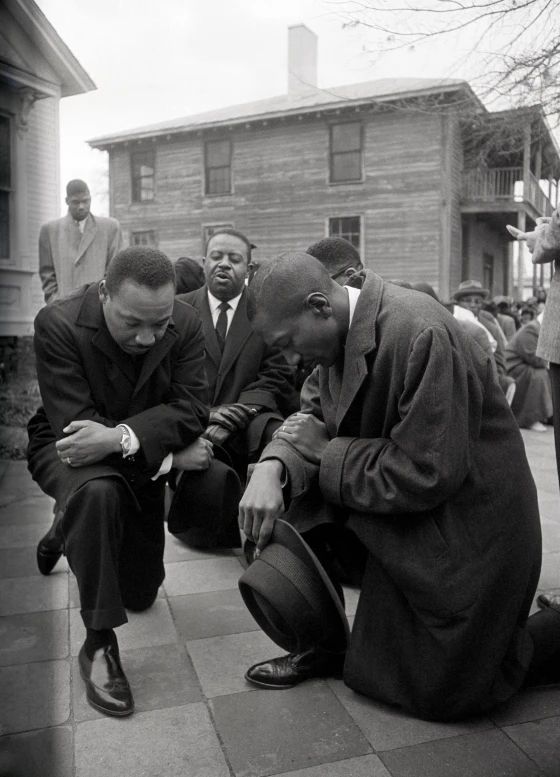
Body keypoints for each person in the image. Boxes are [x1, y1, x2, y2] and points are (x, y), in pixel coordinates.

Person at [237, 251, 560, 722]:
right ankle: (325, 647)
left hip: (471, 533)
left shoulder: (420, 331)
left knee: (446, 693)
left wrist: (328, 454)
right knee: (291, 495)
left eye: (288, 343)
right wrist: (270, 467)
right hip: (415, 513)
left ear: (319, 306)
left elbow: (428, 472)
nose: (291, 359)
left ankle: (540, 635)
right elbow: (309, 421)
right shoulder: (332, 336)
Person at [28, 247, 212, 717]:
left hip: (128, 447)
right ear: (105, 292)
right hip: (67, 445)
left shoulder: (188, 322)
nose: (148, 338)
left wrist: (127, 439)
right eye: (132, 323)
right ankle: (98, 645)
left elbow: (193, 408)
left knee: (141, 593)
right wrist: (169, 456)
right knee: (97, 492)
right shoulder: (58, 322)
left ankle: (67, 526)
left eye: (159, 323)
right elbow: (77, 429)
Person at [173, 228, 293, 546]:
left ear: (249, 268)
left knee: (279, 434)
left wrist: (239, 410)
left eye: (234, 258)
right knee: (208, 499)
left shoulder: (267, 312)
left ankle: (278, 526)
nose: (224, 264)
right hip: (196, 423)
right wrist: (207, 416)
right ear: (203, 263)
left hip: (249, 420)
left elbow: (277, 373)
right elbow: (167, 377)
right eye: (216, 256)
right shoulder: (178, 311)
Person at [39, 179, 123, 303]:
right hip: (64, 309)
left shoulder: (110, 228)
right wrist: (55, 301)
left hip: (98, 307)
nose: (81, 207)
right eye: (75, 202)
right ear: (67, 201)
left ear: (90, 199)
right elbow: (47, 273)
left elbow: (115, 269)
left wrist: (104, 301)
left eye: (85, 201)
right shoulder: (50, 230)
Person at [506, 315, 552, 432]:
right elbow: (534, 357)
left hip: (525, 365)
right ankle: (530, 419)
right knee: (540, 375)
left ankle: (547, 415)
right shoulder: (531, 329)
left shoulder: (540, 328)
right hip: (514, 368)